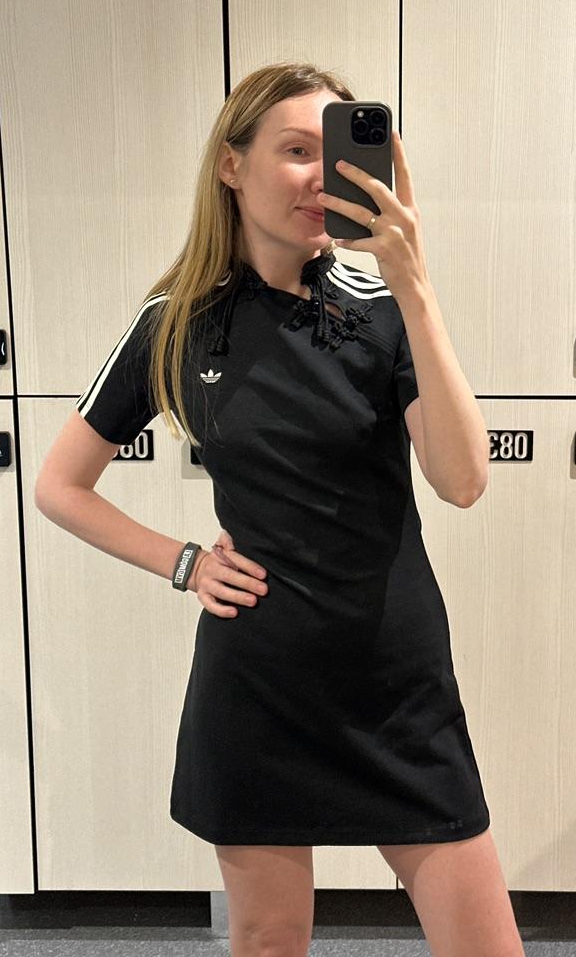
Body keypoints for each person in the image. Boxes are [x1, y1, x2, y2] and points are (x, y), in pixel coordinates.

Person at [35, 62, 525, 957]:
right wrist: (184, 563)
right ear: (232, 165)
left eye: (331, 154)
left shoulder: (383, 310)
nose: (318, 177)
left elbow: (462, 480)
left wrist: (415, 286)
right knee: (267, 942)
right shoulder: (175, 321)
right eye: (296, 150)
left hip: (395, 678)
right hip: (259, 682)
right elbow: (60, 485)